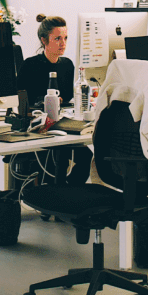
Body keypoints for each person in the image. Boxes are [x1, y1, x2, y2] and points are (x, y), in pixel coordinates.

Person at [15, 14, 91, 186]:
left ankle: (68, 192)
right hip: (39, 124)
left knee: (87, 156)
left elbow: (68, 96)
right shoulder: (30, 65)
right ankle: (52, 196)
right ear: (44, 40)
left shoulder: (67, 65)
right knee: (56, 158)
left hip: (62, 122)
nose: (63, 43)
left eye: (65, 38)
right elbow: (21, 100)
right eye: (57, 38)